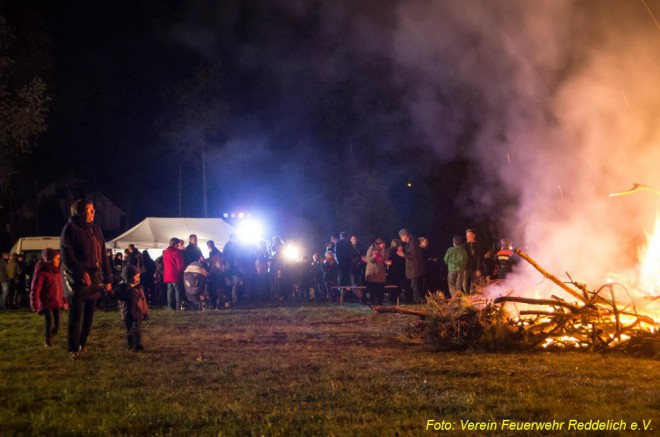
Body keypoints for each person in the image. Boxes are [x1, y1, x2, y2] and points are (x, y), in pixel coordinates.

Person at [60, 199, 113, 360]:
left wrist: (108, 277)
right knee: (76, 314)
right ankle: (73, 348)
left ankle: (83, 342)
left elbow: (103, 254)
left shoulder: (95, 230)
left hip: (94, 277)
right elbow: (67, 255)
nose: (93, 213)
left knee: (89, 314)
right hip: (76, 279)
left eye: (93, 210)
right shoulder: (70, 229)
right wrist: (80, 271)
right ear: (81, 212)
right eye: (90, 210)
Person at [29, 248, 64, 347]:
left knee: (58, 323)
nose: (59, 261)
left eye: (59, 258)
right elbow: (35, 289)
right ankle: (47, 340)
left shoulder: (57, 271)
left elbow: (61, 287)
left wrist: (64, 300)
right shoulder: (41, 272)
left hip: (56, 301)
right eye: (56, 258)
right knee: (49, 320)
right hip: (45, 302)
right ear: (49, 259)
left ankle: (51, 336)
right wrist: (34, 304)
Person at [115, 265, 149, 352]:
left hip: (137, 312)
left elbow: (143, 301)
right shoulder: (122, 288)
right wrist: (130, 288)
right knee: (128, 330)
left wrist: (145, 312)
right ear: (129, 277)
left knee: (136, 329)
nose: (138, 278)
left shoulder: (139, 288)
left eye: (139, 276)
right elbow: (122, 297)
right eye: (136, 276)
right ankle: (130, 344)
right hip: (127, 313)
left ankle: (137, 345)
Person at [399, 228, 426, 304]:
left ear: (404, 235)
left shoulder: (412, 242)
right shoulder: (410, 243)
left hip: (415, 269)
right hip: (414, 269)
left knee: (415, 286)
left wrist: (403, 255)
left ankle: (418, 301)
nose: (401, 239)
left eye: (401, 237)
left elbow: (414, 255)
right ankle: (419, 300)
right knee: (414, 285)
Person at [364, 238, 390, 306]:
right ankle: (373, 303)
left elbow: (385, 258)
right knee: (373, 289)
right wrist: (373, 257)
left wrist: (384, 251)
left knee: (381, 288)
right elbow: (367, 259)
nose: (384, 245)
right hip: (373, 272)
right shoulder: (371, 249)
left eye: (384, 244)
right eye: (382, 244)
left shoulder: (383, 250)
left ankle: (380, 303)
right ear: (378, 244)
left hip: (381, 272)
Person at [163, 237, 185, 310]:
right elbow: (180, 265)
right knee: (177, 290)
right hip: (175, 274)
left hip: (167, 274)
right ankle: (178, 307)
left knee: (169, 291)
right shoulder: (176, 252)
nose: (179, 246)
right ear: (175, 244)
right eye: (178, 244)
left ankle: (170, 307)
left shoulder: (165, 252)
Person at [463, 229, 485, 294]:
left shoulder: (478, 245)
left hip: (474, 268)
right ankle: (466, 297)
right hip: (465, 268)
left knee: (474, 284)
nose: (467, 237)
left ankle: (472, 297)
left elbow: (479, 258)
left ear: (473, 235)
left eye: (469, 235)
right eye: (467, 235)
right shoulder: (464, 246)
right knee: (464, 284)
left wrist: (478, 269)